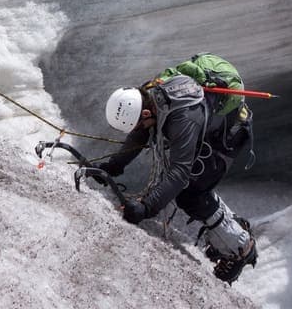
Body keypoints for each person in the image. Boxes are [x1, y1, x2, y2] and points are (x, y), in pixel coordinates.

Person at [100, 53, 258, 284]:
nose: (138, 129)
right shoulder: (151, 93)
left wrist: (145, 208)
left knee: (190, 193)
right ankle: (231, 225)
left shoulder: (183, 117)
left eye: (138, 123)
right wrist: (114, 165)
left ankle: (241, 247)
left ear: (145, 112)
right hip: (210, 125)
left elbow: (179, 172)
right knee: (191, 185)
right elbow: (142, 132)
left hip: (229, 134)